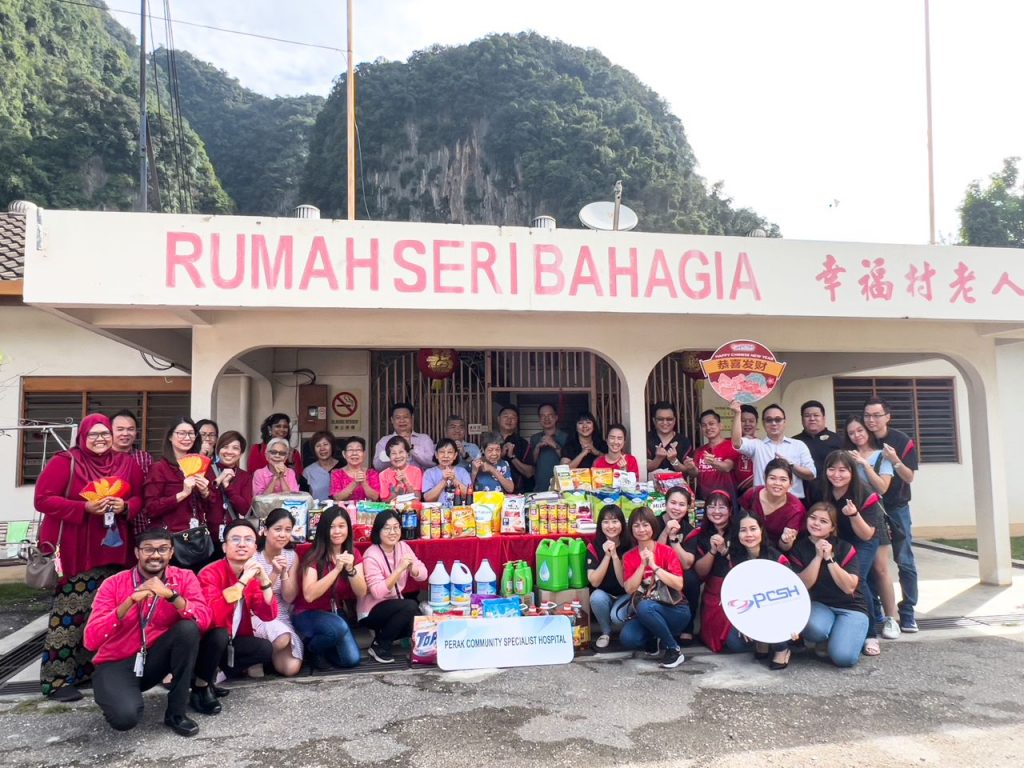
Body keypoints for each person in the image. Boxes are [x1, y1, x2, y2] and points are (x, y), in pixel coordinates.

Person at [34, 414, 144, 701]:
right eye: (93, 434)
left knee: (101, 615)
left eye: (104, 434)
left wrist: (124, 505)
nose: (100, 439)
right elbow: (43, 499)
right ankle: (56, 680)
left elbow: (139, 498)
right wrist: (83, 508)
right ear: (82, 437)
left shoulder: (125, 463)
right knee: (69, 615)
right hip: (77, 552)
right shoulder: (66, 461)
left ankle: (85, 671)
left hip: (114, 550)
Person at [84, 528, 211, 736]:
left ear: (171, 552)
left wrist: (172, 596)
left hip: (155, 660)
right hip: (117, 661)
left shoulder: (185, 577)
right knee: (124, 718)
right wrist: (128, 603)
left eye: (163, 549)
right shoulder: (113, 583)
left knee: (188, 629)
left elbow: (203, 620)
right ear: (137, 552)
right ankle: (118, 695)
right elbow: (90, 640)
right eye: (148, 549)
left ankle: (176, 713)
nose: (155, 555)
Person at [195, 520, 276, 712]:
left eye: (248, 540)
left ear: (255, 548)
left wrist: (264, 581)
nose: (242, 544)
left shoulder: (251, 574)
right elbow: (213, 617)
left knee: (264, 649)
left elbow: (268, 614)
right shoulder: (210, 573)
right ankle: (200, 687)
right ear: (224, 547)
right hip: (204, 641)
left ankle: (210, 677)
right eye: (235, 539)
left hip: (231, 639)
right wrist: (243, 580)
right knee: (219, 635)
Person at [787, 501, 870, 668]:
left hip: (851, 608)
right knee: (813, 628)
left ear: (832, 527)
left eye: (823, 521)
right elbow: (803, 585)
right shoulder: (799, 548)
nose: (816, 523)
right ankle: (828, 637)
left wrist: (829, 559)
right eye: (813, 518)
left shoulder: (845, 547)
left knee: (843, 658)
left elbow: (848, 587)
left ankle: (848, 636)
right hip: (820, 605)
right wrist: (818, 557)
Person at [820, 450, 886, 656]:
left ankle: (870, 634)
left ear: (852, 472)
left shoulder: (865, 493)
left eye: (843, 470)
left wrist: (854, 514)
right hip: (836, 539)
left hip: (862, 540)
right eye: (832, 469)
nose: (836, 475)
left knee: (858, 581)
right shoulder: (821, 489)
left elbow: (867, 534)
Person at [863, 396, 920, 633]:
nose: (871, 420)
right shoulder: (862, 439)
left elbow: (909, 477)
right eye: (867, 415)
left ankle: (908, 612)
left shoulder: (901, 440)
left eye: (877, 415)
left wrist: (895, 460)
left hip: (896, 507)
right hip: (869, 509)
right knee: (872, 562)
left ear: (888, 417)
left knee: (904, 560)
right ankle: (878, 609)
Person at [711, 510, 793, 668]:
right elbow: (736, 594)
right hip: (751, 609)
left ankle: (782, 648)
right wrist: (744, 623)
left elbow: (789, 597)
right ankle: (763, 639)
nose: (749, 534)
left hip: (777, 609)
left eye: (753, 529)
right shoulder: (735, 558)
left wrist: (792, 624)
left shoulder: (777, 559)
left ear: (761, 530)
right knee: (735, 642)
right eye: (743, 530)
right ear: (737, 534)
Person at [844, 415, 901, 640]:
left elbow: (882, 488)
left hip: (874, 515)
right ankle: (873, 615)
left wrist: (864, 464)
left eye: (860, 430)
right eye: (851, 433)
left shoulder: (881, 456)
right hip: (850, 514)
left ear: (867, 430)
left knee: (881, 569)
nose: (856, 435)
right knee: (860, 571)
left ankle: (891, 618)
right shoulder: (846, 456)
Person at [293, 506, 365, 670]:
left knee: (351, 660)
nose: (337, 531)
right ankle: (311, 649)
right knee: (338, 628)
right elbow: (309, 595)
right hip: (307, 613)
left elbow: (361, 592)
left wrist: (350, 569)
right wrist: (337, 569)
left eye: (341, 526)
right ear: (324, 529)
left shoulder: (353, 553)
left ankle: (323, 648)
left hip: (334, 613)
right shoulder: (314, 555)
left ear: (348, 528)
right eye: (332, 527)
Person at [144, 418, 221, 570]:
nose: (187, 438)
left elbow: (212, 505)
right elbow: (150, 509)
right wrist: (182, 494)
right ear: (170, 437)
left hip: (197, 539)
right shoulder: (159, 468)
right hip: (170, 540)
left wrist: (205, 492)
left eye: (191, 433)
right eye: (181, 433)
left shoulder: (200, 465)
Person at [619, 506, 689, 668]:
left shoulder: (666, 551)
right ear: (631, 529)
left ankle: (673, 649)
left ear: (653, 526)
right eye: (636, 526)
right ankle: (656, 636)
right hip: (645, 612)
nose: (641, 529)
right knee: (628, 638)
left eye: (645, 525)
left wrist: (654, 566)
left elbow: (679, 584)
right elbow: (629, 589)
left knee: (645, 606)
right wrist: (642, 565)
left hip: (674, 609)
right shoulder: (628, 557)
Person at [358, 510, 427, 663]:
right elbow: (377, 592)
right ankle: (380, 645)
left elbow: (423, 575)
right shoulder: (371, 555)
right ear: (378, 530)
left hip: (396, 605)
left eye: (396, 527)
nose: (392, 532)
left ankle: (383, 635)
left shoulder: (403, 547)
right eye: (387, 528)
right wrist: (399, 569)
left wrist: (413, 569)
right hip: (372, 610)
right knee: (410, 606)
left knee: (419, 620)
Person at [729, 400, 816, 501]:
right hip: (763, 502)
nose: (773, 423)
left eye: (778, 420)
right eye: (769, 420)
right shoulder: (757, 445)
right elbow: (736, 443)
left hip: (792, 502)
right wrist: (737, 413)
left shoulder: (798, 445)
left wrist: (791, 465)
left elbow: (811, 474)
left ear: (784, 422)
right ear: (763, 423)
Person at [681, 490, 735, 652]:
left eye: (722, 507)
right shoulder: (700, 534)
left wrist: (725, 551)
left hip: (737, 586)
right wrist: (712, 551)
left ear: (730, 510)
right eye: (711, 507)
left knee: (735, 643)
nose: (716, 511)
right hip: (714, 589)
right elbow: (700, 572)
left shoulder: (740, 531)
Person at [252, 509, 303, 677]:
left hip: (280, 612)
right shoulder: (254, 557)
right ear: (266, 531)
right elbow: (257, 598)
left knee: (291, 668)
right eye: (278, 529)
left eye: (288, 530)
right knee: (281, 638)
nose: (283, 534)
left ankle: (263, 655)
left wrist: (284, 572)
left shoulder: (291, 556)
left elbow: (289, 597)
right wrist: (274, 572)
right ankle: (251, 659)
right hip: (257, 613)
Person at [586, 504, 633, 649]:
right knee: (596, 597)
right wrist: (607, 556)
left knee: (616, 617)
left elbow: (623, 582)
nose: (610, 526)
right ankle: (605, 632)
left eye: (615, 521)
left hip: (627, 594)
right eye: (606, 522)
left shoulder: (630, 544)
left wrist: (615, 556)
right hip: (605, 594)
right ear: (600, 525)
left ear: (622, 524)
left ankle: (630, 627)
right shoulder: (593, 546)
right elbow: (594, 582)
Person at [657, 485, 699, 643]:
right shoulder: (653, 523)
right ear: (665, 503)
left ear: (688, 507)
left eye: (682, 504)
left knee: (691, 579)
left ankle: (687, 627)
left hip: (677, 571)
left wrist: (674, 539)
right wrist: (665, 532)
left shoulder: (690, 530)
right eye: (673, 503)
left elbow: (687, 563)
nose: (676, 508)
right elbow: (654, 556)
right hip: (654, 568)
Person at [739, 458, 806, 551]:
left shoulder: (796, 510)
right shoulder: (751, 494)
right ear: (765, 478)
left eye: (783, 479)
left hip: (775, 552)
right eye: (772, 478)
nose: (777, 483)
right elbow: (740, 524)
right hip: (747, 545)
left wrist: (785, 540)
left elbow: (785, 548)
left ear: (791, 484)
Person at [110, 409, 154, 534]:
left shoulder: (145, 458)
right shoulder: (102, 458)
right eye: (120, 429)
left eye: (130, 429)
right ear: (110, 431)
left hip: (140, 524)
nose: (125, 433)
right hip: (110, 525)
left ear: (136, 432)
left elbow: (150, 491)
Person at [792, 400, 842, 504]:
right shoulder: (794, 442)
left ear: (824, 418)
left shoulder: (838, 440)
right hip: (801, 496)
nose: (812, 419)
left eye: (816, 415)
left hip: (831, 495)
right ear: (802, 419)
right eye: (807, 416)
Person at [683, 409, 740, 500]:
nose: (708, 428)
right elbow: (695, 474)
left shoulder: (731, 446)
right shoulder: (699, 451)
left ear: (720, 426)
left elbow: (727, 467)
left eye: (711, 424)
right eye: (704, 425)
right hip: (703, 499)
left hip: (726, 500)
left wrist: (713, 462)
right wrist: (691, 468)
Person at [372, 402, 436, 472]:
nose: (402, 421)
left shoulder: (424, 439)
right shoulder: (384, 441)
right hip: (394, 478)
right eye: (398, 417)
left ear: (412, 418)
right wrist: (393, 454)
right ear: (392, 420)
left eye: (405, 417)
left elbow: (433, 463)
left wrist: (412, 450)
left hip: (420, 478)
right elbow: (377, 466)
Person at [213, 431, 253, 529]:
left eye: (235, 448)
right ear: (218, 449)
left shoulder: (245, 476)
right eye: (225, 446)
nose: (229, 451)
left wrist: (228, 487)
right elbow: (204, 501)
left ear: (241, 453)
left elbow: (245, 510)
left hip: (232, 531)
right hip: (207, 532)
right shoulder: (207, 470)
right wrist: (219, 480)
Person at [529, 403, 568, 491]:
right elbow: (531, 464)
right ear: (539, 419)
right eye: (543, 416)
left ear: (556, 417)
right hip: (540, 487)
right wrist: (537, 448)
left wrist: (554, 444)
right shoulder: (534, 438)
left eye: (550, 415)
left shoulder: (566, 437)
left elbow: (570, 462)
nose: (546, 419)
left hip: (562, 486)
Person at [646, 401, 693, 474]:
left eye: (669, 419)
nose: (665, 423)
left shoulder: (683, 441)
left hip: (677, 481)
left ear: (674, 420)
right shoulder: (645, 439)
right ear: (654, 420)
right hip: (651, 481)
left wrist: (673, 460)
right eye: (660, 419)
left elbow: (687, 471)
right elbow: (645, 468)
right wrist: (658, 459)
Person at [330, 436, 381, 502]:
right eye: (350, 450)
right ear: (344, 454)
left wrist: (364, 483)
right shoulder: (337, 473)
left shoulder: (372, 473)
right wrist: (354, 483)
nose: (354, 453)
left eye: (358, 450)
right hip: (344, 508)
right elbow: (337, 498)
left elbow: (375, 497)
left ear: (364, 454)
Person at [497, 404, 534, 492]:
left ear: (517, 421)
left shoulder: (523, 443)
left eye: (513, 417)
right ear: (498, 419)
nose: (509, 420)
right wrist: (500, 455)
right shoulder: (489, 440)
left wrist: (512, 457)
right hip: (492, 492)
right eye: (505, 416)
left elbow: (530, 473)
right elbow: (482, 466)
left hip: (518, 493)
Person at [422, 438, 471, 502]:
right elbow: (428, 499)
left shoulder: (462, 472)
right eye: (442, 452)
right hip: (437, 508)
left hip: (458, 508)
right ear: (436, 455)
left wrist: (454, 479)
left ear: (455, 455)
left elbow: (469, 496)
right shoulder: (429, 473)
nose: (446, 455)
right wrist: (444, 480)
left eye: (450, 452)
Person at [378, 436, 423, 501]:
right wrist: (396, 492)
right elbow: (384, 501)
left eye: (401, 452)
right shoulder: (383, 475)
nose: (398, 456)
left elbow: (417, 498)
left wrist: (406, 482)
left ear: (407, 454)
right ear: (389, 456)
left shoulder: (416, 471)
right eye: (393, 453)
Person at [300, 431, 339, 501]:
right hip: (316, 507)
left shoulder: (343, 466)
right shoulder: (308, 471)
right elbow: (303, 497)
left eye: (325, 444)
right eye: (318, 446)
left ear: (332, 446)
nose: (322, 448)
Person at [732, 404, 759, 495]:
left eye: (751, 421)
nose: (747, 424)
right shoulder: (730, 445)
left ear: (756, 423)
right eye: (743, 421)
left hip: (756, 492)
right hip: (735, 492)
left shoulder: (762, 445)